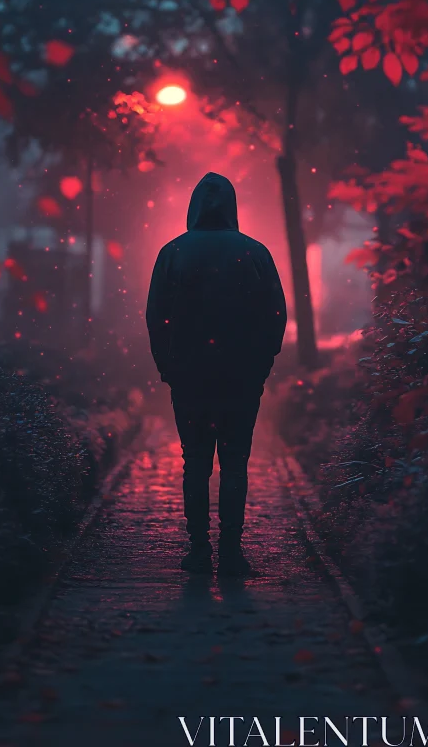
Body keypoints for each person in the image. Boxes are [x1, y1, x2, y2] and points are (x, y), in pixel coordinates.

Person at [146, 172, 287, 577]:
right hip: (241, 377)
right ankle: (231, 550)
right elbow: (275, 314)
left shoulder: (172, 252)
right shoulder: (255, 253)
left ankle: (199, 549)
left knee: (195, 463)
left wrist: (167, 365)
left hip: (190, 375)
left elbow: (156, 315)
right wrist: (262, 363)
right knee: (235, 462)